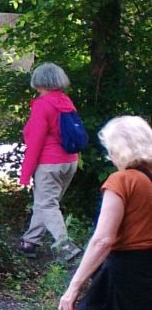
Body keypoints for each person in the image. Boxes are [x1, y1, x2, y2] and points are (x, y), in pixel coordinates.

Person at [58, 116, 152, 309]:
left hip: (126, 274)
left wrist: (73, 288)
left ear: (118, 148)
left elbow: (103, 240)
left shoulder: (122, 181)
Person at [21, 62, 82, 259]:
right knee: (46, 203)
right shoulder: (66, 102)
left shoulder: (43, 105)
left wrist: (25, 174)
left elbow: (36, 142)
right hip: (70, 162)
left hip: (49, 164)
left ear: (38, 81)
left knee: (47, 205)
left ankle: (65, 246)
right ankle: (30, 242)